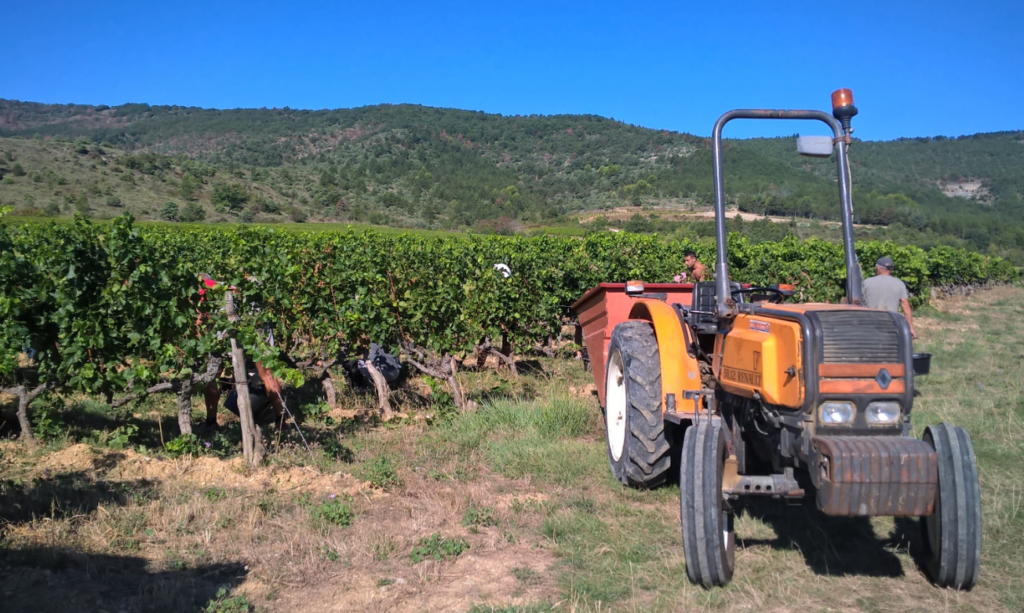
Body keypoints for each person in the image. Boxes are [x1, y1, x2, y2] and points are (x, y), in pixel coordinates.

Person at [862, 256, 916, 339]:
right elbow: (906, 307)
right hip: (891, 323)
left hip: (870, 323)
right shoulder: (899, 283)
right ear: (890, 269)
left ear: (878, 268)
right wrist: (911, 328)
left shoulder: (867, 282)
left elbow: (858, 302)